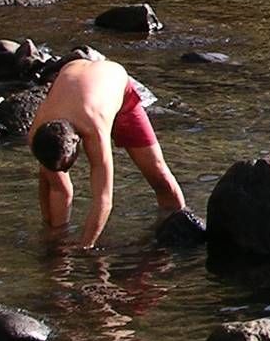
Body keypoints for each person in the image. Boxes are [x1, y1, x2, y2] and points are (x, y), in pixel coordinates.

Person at [28, 52, 185, 247]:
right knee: (52, 185)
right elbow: (56, 188)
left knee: (157, 172)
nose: (65, 171)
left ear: (77, 140)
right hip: (77, 78)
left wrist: (85, 247)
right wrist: (53, 235)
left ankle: (180, 221)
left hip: (116, 85)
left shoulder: (94, 129)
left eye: (67, 165)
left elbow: (104, 199)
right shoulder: (37, 133)